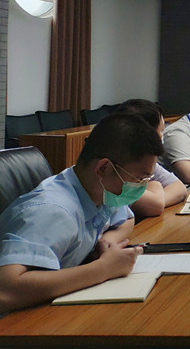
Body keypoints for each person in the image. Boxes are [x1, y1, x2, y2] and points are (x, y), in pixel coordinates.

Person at [0, 113, 161, 313]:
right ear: (103, 168)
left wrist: (108, 240)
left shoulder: (98, 190)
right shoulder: (54, 211)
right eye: (138, 179)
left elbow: (127, 218)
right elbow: (5, 289)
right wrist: (103, 269)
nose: (141, 187)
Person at [115, 99, 187, 218]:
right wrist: (155, 186)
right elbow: (155, 206)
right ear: (148, 134)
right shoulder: (118, 168)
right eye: (161, 130)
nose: (162, 136)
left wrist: (158, 198)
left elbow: (179, 188)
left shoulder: (145, 160)